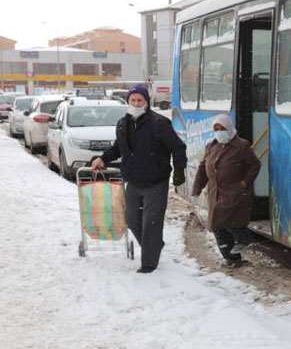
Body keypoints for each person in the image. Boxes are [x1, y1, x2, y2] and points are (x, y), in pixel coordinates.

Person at [91, 85, 187, 273]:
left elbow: (178, 147)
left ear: (146, 102)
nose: (136, 104)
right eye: (133, 100)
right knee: (132, 219)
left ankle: (149, 264)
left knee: (151, 222)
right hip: (133, 180)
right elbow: (119, 148)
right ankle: (154, 246)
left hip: (156, 180)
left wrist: (179, 171)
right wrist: (102, 158)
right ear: (128, 101)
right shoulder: (122, 124)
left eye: (140, 100)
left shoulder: (159, 124)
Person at [191, 114, 261, 267]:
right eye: (215, 129)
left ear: (229, 128)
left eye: (221, 128)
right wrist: (196, 189)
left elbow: (255, 165)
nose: (218, 132)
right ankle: (231, 258)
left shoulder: (242, 146)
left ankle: (244, 240)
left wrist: (244, 183)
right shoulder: (211, 146)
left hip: (235, 193)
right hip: (215, 193)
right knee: (217, 226)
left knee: (231, 223)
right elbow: (203, 169)